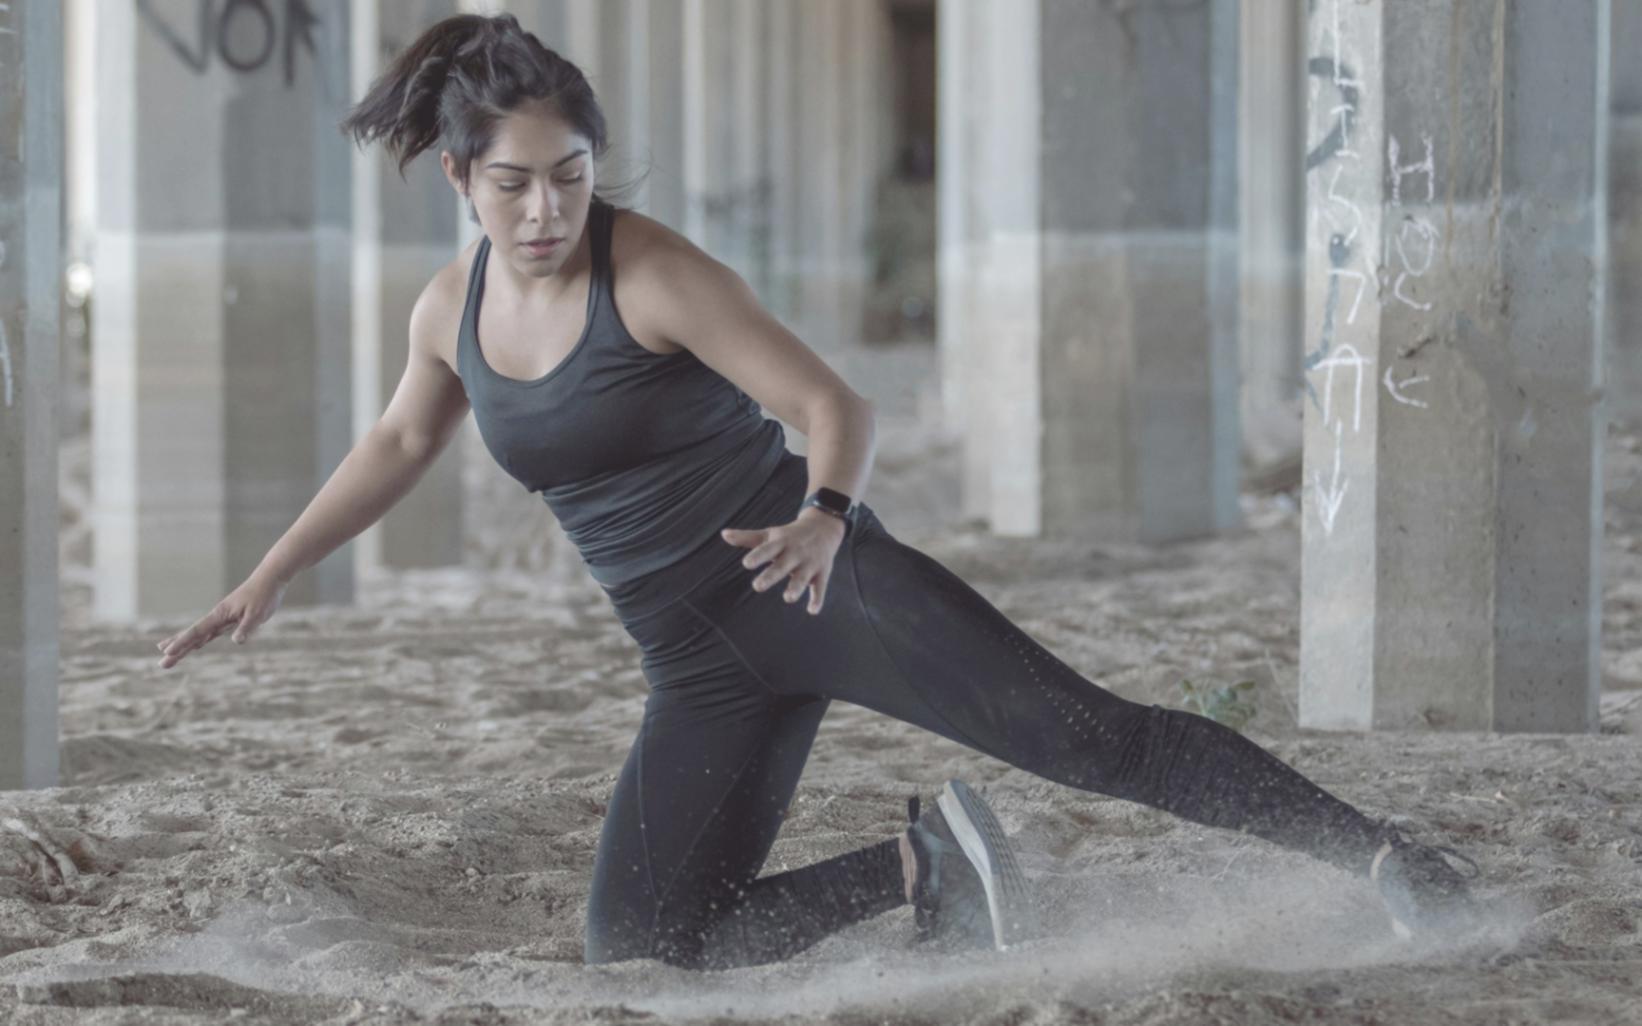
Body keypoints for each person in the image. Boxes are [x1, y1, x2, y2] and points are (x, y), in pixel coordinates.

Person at [154, 13, 1480, 970]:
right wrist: (266, 576)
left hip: (817, 582)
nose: (546, 209)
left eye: (568, 176)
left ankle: (1382, 854)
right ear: (460, 178)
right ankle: (926, 865)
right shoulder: (453, 305)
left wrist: (825, 515)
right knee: (645, 938)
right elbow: (395, 442)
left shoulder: (651, 272)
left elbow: (831, 403)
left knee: (1090, 738)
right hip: (698, 663)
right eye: (513, 183)